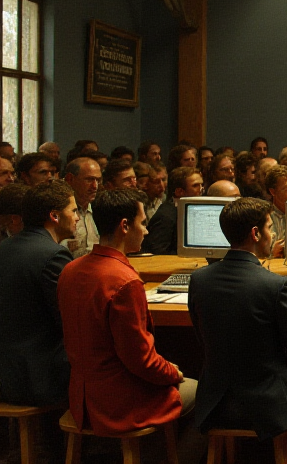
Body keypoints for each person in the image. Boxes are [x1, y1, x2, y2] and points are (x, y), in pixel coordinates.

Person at [188, 197, 287, 464]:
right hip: (266, 404)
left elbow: (202, 333)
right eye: (270, 228)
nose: (273, 236)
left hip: (216, 402)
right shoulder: (275, 285)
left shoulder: (199, 280)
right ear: (255, 233)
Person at [57, 188, 203, 462]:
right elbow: (141, 361)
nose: (146, 232)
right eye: (143, 223)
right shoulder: (125, 281)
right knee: (208, 396)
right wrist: (173, 372)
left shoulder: (70, 269)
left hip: (82, 397)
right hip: (120, 401)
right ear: (125, 225)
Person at [0, 181, 77, 407]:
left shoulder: (4, 246)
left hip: (7, 373)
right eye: (73, 211)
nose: (77, 217)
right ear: (54, 215)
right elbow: (68, 321)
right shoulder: (54, 255)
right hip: (38, 377)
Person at [141, 166, 203, 255]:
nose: (201, 189)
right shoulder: (166, 217)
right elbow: (158, 252)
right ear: (179, 192)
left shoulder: (191, 211)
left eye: (201, 184)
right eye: (195, 185)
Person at [62, 157, 102, 258]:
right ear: (70, 179)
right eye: (89, 179)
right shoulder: (59, 211)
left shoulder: (101, 208)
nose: (95, 186)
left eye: (98, 180)